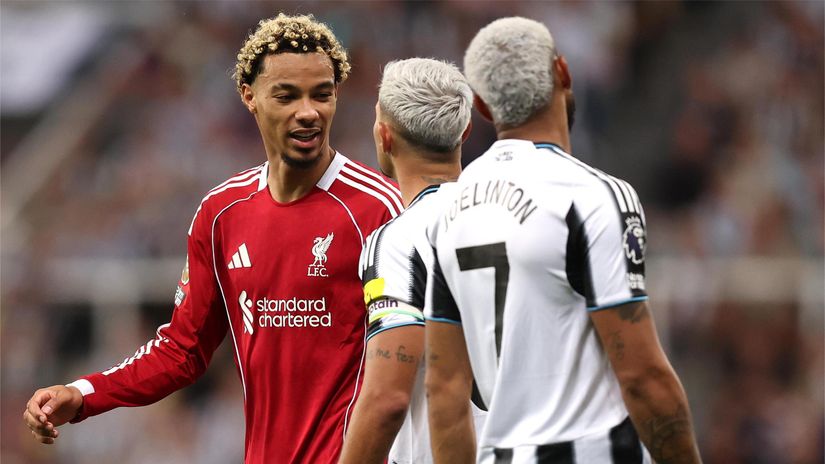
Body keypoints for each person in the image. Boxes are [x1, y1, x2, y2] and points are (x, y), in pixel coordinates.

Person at [22, 13, 403, 463]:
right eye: (286, 95)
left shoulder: (381, 209)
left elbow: (416, 361)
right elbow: (182, 350)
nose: (308, 111)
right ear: (250, 97)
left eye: (322, 95)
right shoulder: (222, 214)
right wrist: (84, 393)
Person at [424, 17, 702, 464]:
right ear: (564, 72)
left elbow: (444, 390)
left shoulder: (448, 212)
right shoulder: (593, 196)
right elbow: (643, 376)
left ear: (480, 105)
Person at [338, 58, 481, 464]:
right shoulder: (520, 219)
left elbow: (387, 399)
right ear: (465, 131)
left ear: (384, 136)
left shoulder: (401, 239)